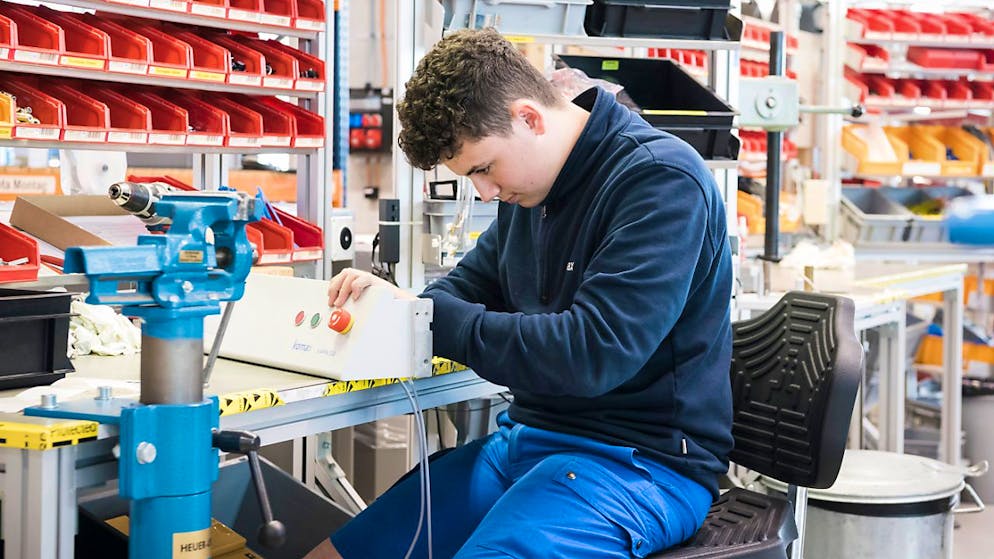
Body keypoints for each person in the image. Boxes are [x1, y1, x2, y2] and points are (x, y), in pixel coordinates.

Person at [306, 27, 733, 559]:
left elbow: (592, 353)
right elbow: (467, 288)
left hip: (640, 464)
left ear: (529, 118)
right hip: (526, 441)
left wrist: (431, 318)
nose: (484, 193)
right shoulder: (532, 190)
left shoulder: (660, 180)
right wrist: (401, 307)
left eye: (484, 168)